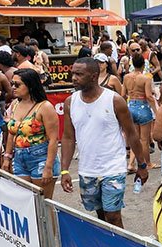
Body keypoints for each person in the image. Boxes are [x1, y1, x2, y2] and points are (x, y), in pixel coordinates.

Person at [60, 57, 150, 228]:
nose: (73, 78)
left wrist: (142, 165)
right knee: (100, 214)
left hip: (113, 168)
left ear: (94, 76)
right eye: (73, 73)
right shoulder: (70, 102)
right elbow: (68, 137)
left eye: (79, 74)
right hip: (87, 170)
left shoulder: (114, 100)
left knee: (113, 216)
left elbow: (131, 134)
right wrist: (65, 170)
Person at [3, 69, 60, 199]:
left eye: (17, 85)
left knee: (43, 204)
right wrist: (7, 157)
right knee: (24, 201)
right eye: (12, 84)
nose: (13, 87)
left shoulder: (45, 107)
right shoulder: (15, 104)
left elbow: (53, 139)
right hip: (19, 158)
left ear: (30, 85)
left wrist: (48, 167)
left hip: (41, 158)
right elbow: (12, 133)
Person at [122, 53, 158, 171]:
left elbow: (123, 95)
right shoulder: (146, 78)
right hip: (143, 108)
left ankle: (131, 164)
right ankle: (147, 163)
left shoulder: (126, 77)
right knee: (144, 140)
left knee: (134, 138)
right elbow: (149, 96)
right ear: (144, 65)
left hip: (130, 106)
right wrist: (156, 112)